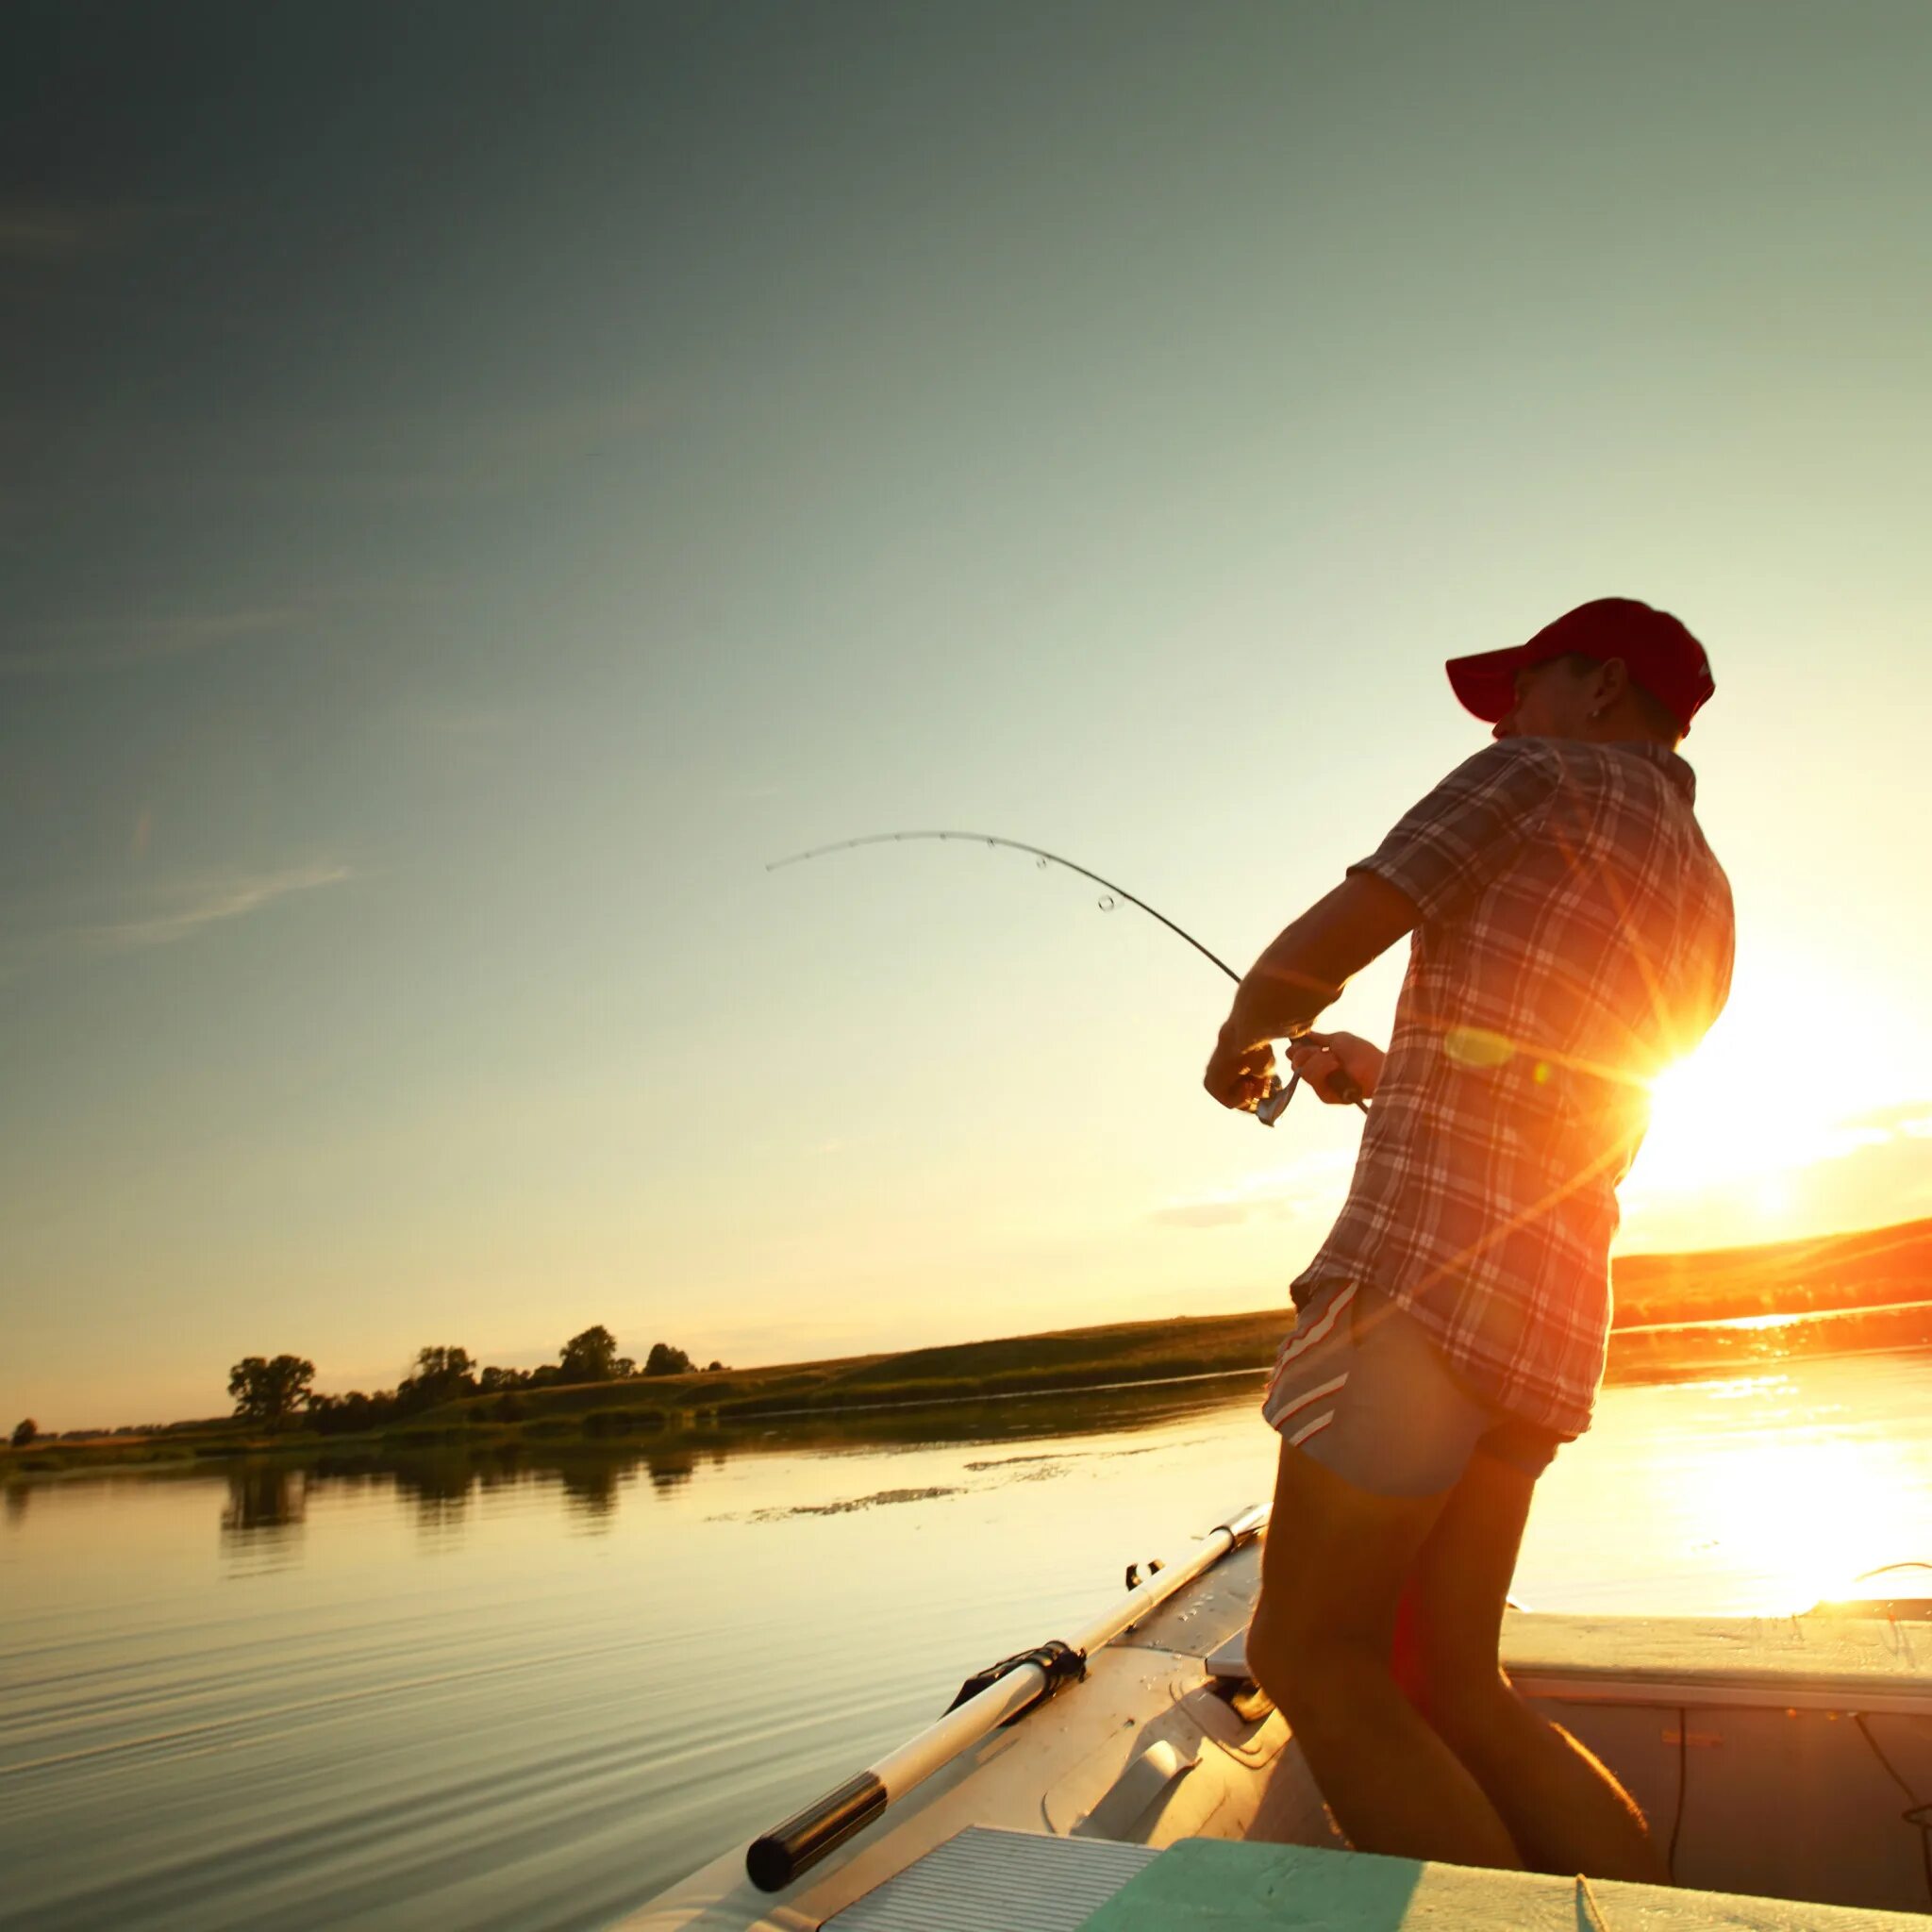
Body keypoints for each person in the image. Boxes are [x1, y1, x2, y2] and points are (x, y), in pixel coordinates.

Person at [1202, 597, 1734, 1879]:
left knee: (1308, 1656)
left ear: (1602, 684)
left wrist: (1244, 1041)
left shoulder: (1536, 773)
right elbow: (1577, 1097)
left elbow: (1334, 936)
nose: (1500, 715)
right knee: (1456, 1679)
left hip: (1420, 1290)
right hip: (1551, 1319)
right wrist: (1391, 1072)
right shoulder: (1706, 890)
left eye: (1524, 684)